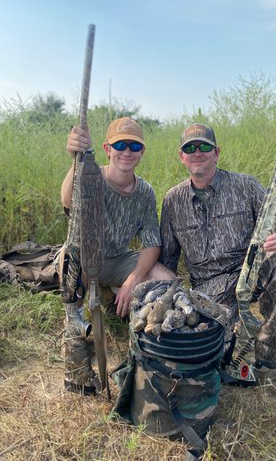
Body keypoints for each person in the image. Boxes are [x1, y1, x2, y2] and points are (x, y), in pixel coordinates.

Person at [159, 123, 276, 373]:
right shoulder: (172, 200)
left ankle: (266, 357)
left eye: (204, 146)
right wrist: (168, 300)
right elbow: (167, 260)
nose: (198, 152)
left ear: (216, 152)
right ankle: (231, 339)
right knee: (214, 352)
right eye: (190, 147)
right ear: (181, 156)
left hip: (250, 272)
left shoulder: (246, 185)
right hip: (208, 291)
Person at [60, 116, 173, 393]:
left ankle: (154, 346)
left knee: (167, 281)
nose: (126, 151)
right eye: (119, 144)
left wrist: (134, 279)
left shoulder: (145, 191)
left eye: (134, 146)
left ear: (142, 152)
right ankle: (75, 345)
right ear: (107, 149)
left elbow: (151, 243)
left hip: (118, 260)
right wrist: (75, 160)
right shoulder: (91, 178)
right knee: (70, 257)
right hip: (85, 259)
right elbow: (67, 200)